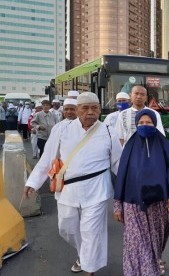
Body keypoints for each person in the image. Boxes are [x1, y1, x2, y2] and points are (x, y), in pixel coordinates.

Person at [23, 92, 123, 275]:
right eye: (85, 108)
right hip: (68, 189)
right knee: (66, 228)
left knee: (92, 233)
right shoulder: (62, 130)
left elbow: (118, 162)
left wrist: (133, 185)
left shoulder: (109, 130)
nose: (90, 112)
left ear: (100, 110)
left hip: (97, 189)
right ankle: (83, 255)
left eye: (95, 108)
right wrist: (33, 182)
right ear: (77, 110)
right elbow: (47, 158)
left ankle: (89, 268)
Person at [114, 109, 169, 276]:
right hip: (132, 202)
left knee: (156, 240)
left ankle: (154, 261)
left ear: (155, 124)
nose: (144, 126)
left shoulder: (163, 143)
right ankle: (139, 271)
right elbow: (121, 174)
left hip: (159, 201)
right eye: (141, 123)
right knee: (136, 242)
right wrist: (117, 204)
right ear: (136, 125)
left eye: (148, 123)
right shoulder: (130, 145)